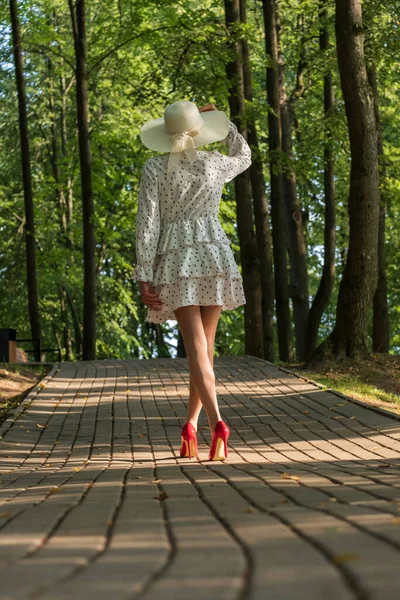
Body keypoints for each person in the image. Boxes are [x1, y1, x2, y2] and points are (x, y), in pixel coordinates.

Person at [133, 100, 252, 460]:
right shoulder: (214, 164)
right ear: (200, 130)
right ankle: (190, 428)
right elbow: (244, 154)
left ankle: (218, 422)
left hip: (177, 259)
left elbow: (147, 224)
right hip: (213, 253)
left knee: (197, 349)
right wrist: (223, 122)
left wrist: (144, 274)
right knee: (205, 350)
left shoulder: (155, 168)